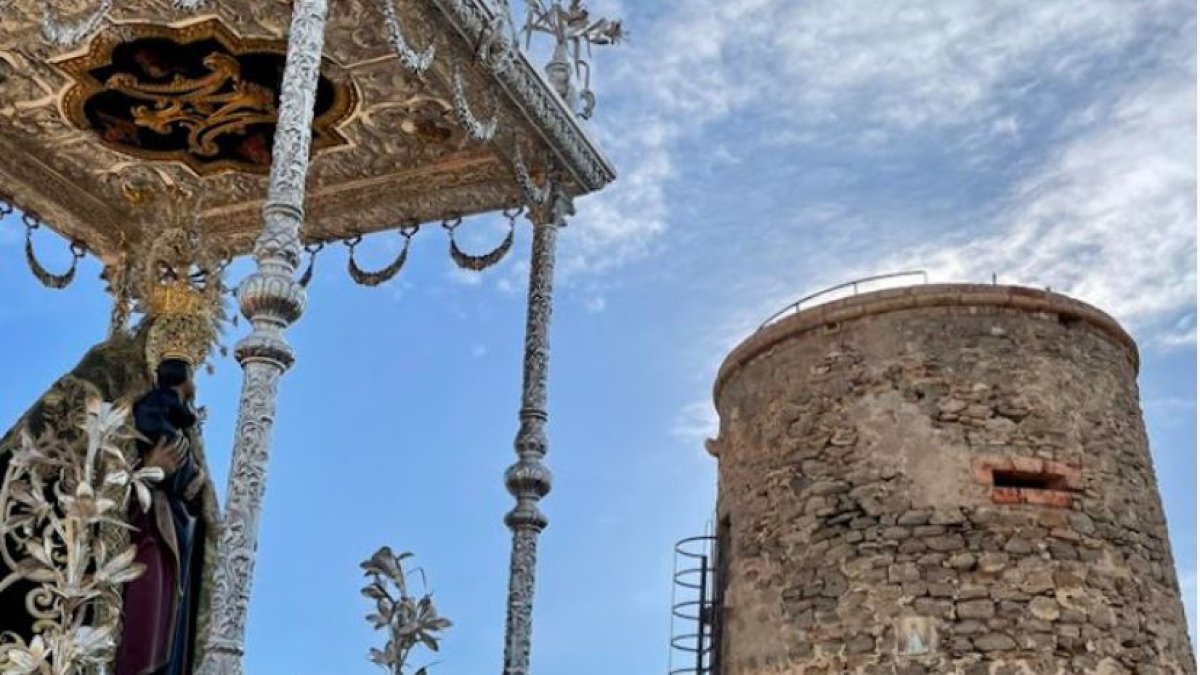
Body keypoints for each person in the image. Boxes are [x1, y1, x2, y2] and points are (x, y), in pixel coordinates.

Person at [115, 357, 211, 675]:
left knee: (167, 609)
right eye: (192, 375)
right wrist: (150, 471)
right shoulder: (153, 407)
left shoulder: (179, 422)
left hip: (172, 525)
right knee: (147, 601)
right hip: (147, 528)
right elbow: (112, 486)